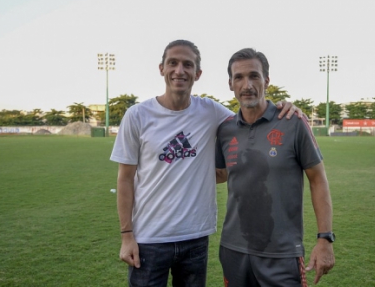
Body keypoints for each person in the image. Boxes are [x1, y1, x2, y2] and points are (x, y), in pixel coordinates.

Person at [110, 40, 302, 287]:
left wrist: (283, 108)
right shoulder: (137, 115)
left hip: (195, 239)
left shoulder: (210, 111)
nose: (180, 70)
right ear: (161, 68)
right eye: (173, 63)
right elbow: (125, 179)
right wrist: (127, 235)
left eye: (187, 64)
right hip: (149, 239)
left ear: (197, 73)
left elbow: (249, 116)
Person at [215, 48, 335, 287]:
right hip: (233, 250)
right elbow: (220, 174)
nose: (246, 84)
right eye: (238, 77)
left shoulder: (293, 122)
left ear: (266, 81)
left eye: (254, 76)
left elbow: (318, 179)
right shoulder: (225, 129)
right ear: (230, 83)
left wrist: (325, 239)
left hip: (282, 254)